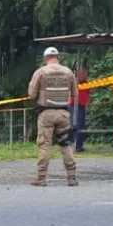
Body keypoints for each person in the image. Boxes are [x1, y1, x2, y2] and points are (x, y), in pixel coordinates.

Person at [27, 47, 79, 187]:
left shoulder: (41, 72)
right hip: (63, 114)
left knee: (44, 146)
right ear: (58, 57)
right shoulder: (68, 72)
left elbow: (31, 94)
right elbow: (74, 93)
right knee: (65, 145)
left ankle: (41, 178)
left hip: (46, 114)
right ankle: (72, 177)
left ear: (45, 58)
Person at [72, 68, 90, 152]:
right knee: (74, 125)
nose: (84, 75)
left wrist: (87, 103)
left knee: (81, 125)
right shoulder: (74, 82)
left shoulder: (86, 83)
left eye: (86, 74)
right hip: (73, 106)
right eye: (83, 74)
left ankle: (79, 145)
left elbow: (87, 94)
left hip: (82, 106)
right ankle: (72, 144)